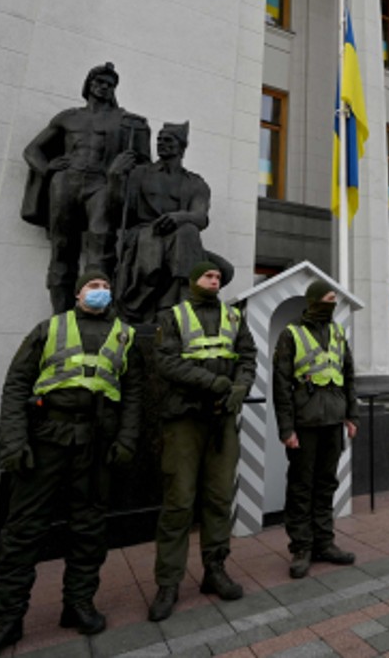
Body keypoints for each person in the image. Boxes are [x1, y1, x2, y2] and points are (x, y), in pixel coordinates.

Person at [0, 272, 142, 658]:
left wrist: (126, 440)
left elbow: (132, 394)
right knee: (23, 533)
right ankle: (6, 621)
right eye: (92, 286)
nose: (100, 292)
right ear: (78, 293)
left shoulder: (124, 334)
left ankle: (78, 605)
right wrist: (14, 443)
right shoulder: (49, 329)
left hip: (96, 446)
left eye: (104, 286)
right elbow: (16, 385)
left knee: (89, 530)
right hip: (47, 441)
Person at [149, 261, 257, 620]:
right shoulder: (173, 316)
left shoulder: (234, 317)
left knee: (219, 498)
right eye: (208, 277)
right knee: (179, 502)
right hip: (184, 419)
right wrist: (212, 383)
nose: (214, 281)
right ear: (194, 281)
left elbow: (248, 357)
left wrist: (240, 387)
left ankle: (215, 570)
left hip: (222, 420)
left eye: (218, 278)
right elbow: (166, 363)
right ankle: (168, 583)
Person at [22, 62, 150, 312]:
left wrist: (123, 172)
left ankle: (95, 314)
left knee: (101, 246)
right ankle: (61, 315)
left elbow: (143, 163)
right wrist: (47, 168)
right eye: (99, 82)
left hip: (101, 183)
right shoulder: (68, 117)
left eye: (110, 85)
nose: (104, 87)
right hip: (66, 181)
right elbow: (31, 150)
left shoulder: (125, 121)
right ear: (89, 85)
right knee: (62, 248)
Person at [272, 279, 360, 579]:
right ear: (313, 301)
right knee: (301, 487)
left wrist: (352, 415)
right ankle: (301, 548)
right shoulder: (290, 334)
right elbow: (281, 386)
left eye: (334, 299)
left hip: (334, 422)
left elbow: (348, 375)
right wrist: (286, 429)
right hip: (304, 424)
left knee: (326, 485)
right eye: (328, 298)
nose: (332, 304)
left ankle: (325, 543)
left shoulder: (337, 332)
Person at [110, 121, 223, 324]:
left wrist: (178, 217)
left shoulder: (195, 182)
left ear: (182, 146)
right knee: (185, 234)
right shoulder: (140, 174)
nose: (161, 143)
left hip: (180, 241)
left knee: (191, 234)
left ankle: (173, 301)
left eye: (168, 140)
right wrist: (115, 178)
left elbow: (200, 217)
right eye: (159, 139)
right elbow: (120, 211)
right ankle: (184, 301)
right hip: (146, 234)